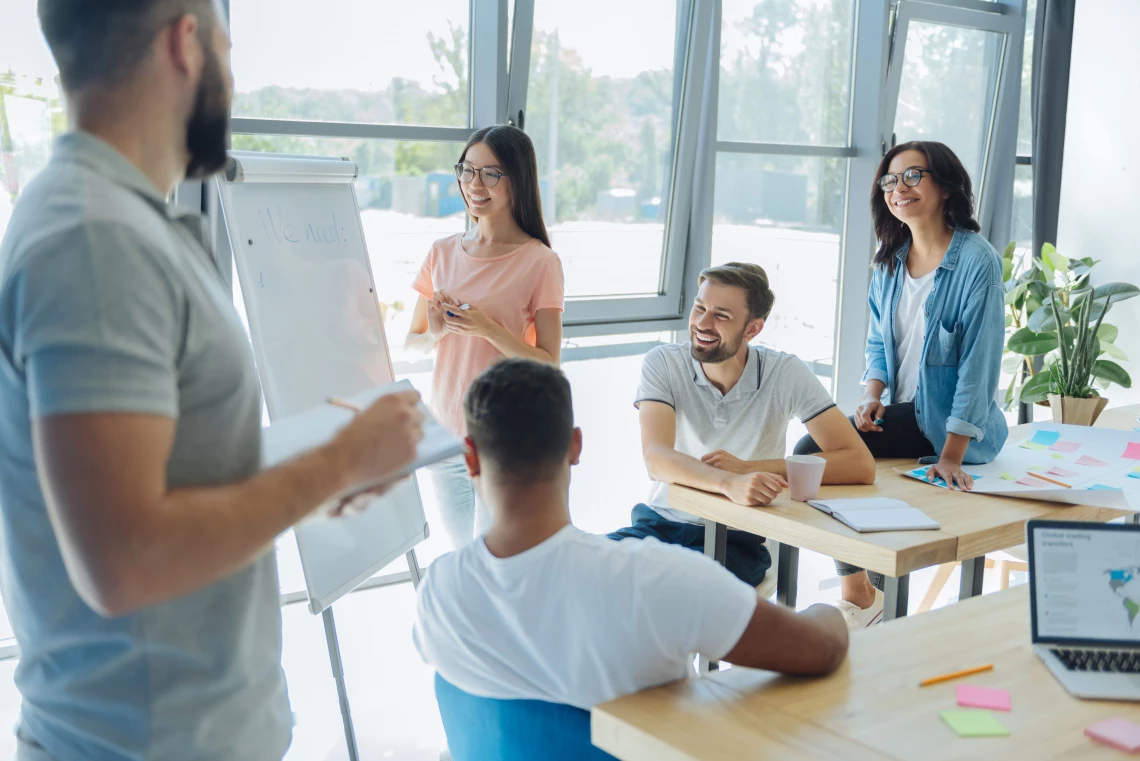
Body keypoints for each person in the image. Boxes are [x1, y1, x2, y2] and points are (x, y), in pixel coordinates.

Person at [0, 2, 425, 759]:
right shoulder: (96, 242)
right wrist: (340, 460)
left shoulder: (122, 224)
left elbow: (168, 468)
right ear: (186, 43)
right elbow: (126, 559)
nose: (232, 79)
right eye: (230, 50)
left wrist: (317, 466)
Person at [413, 359, 849, 710]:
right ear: (575, 446)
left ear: (470, 457)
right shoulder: (656, 580)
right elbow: (821, 650)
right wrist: (833, 609)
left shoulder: (439, 590)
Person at [795, 140, 1008, 628]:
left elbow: (980, 369)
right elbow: (877, 346)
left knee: (818, 454)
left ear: (946, 186)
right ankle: (863, 594)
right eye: (890, 180)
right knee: (815, 450)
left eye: (913, 176)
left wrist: (951, 455)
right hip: (901, 412)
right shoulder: (890, 262)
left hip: (947, 425)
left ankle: (868, 597)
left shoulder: (978, 262)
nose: (898, 188)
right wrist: (871, 396)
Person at [608, 263, 876, 587]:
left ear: (752, 329)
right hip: (660, 523)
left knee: (673, 595)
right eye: (699, 308)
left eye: (721, 315)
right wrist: (727, 481)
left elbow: (859, 463)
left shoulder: (785, 373)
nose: (702, 324)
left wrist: (749, 469)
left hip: (739, 541)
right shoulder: (663, 362)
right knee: (582, 573)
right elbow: (656, 458)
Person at [405, 125, 564, 548]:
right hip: (446, 436)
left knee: (496, 560)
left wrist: (489, 329)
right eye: (467, 170)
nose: (474, 185)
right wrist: (437, 333)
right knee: (461, 556)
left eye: (491, 174)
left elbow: (549, 362)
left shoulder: (540, 261)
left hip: (505, 440)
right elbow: (412, 343)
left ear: (518, 180)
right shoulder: (441, 252)